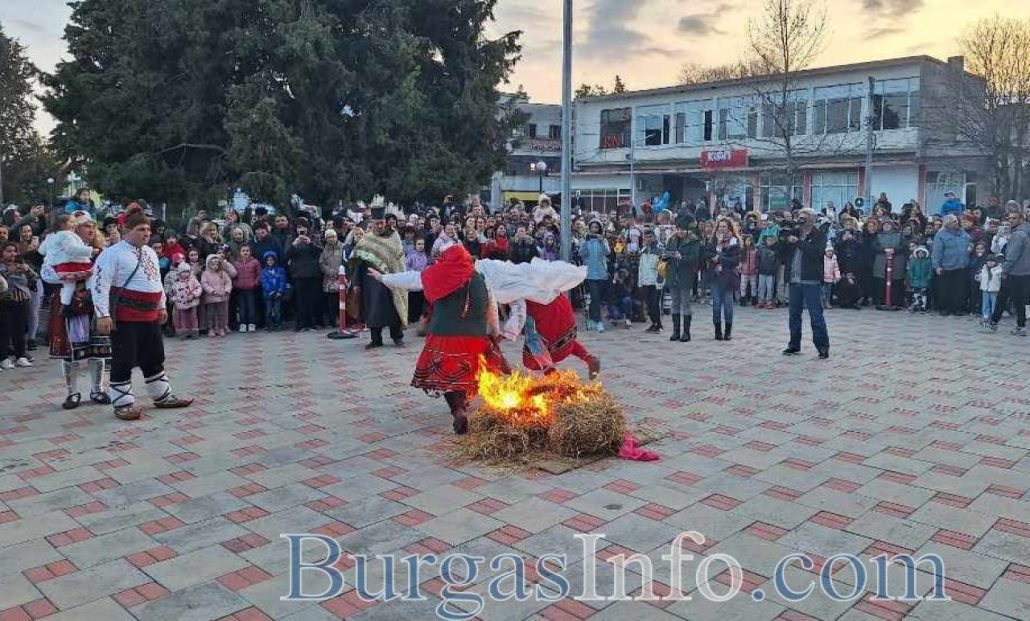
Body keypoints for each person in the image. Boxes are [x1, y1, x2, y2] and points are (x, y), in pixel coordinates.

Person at [371, 243, 506, 434]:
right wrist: (494, 331)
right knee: (467, 374)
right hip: (474, 337)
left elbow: (412, 279)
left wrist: (383, 277)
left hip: (444, 337)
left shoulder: (437, 273)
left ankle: (458, 410)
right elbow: (491, 307)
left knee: (448, 377)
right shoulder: (481, 278)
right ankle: (463, 401)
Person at [92, 206, 193, 420]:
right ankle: (122, 404)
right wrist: (103, 314)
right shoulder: (111, 254)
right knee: (124, 359)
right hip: (126, 316)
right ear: (126, 230)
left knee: (154, 355)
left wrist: (162, 306)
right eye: (140, 229)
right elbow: (100, 285)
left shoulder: (149, 252)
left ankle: (162, 396)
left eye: (148, 229)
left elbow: (155, 281)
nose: (146, 233)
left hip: (149, 315)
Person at [351, 206, 407, 348]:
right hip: (371, 282)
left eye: (382, 223)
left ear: (386, 222)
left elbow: (399, 260)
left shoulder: (395, 237)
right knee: (373, 310)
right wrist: (356, 283)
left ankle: (397, 337)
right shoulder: (366, 239)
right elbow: (358, 262)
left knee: (394, 308)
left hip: (391, 279)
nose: (380, 226)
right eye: (377, 223)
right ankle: (376, 340)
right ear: (372, 224)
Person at [783, 209, 830, 359]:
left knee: (816, 315)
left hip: (811, 281)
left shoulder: (819, 235)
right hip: (794, 280)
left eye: (805, 216)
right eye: (800, 216)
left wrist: (799, 242)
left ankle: (822, 347)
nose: (802, 218)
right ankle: (794, 344)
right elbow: (782, 249)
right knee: (794, 315)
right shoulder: (794, 232)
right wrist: (786, 238)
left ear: (812, 219)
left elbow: (815, 253)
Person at [39, 211, 96, 308]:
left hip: (54, 267)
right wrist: (90, 250)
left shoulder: (51, 236)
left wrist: (54, 252)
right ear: (62, 224)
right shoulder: (67, 235)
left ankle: (65, 304)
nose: (75, 224)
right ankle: (90, 294)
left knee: (69, 284)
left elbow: (41, 251)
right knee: (91, 274)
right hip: (68, 265)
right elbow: (72, 249)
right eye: (72, 222)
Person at [988, 205, 1030, 336]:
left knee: (1016, 300)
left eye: (1014, 218)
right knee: (1005, 297)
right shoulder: (1025, 232)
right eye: (1009, 218)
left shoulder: (1018, 235)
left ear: (1021, 219)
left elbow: (1012, 255)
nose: (1011, 220)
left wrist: (1004, 270)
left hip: (1015, 272)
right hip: (1023, 271)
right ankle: (994, 322)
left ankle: (1020, 326)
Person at [0, 242, 38, 370]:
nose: (12, 254)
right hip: (6, 302)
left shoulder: (21, 264)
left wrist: (27, 270)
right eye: (8, 251)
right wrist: (8, 272)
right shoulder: (1, 267)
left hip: (23, 301)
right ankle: (3, 358)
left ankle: (20, 356)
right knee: (4, 331)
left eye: (14, 251)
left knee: (20, 331)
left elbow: (35, 278)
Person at [664, 212, 701, 342]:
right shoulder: (672, 239)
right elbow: (666, 253)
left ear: (687, 230)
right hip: (673, 274)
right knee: (675, 303)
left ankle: (686, 332)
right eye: (678, 229)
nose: (680, 231)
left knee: (685, 304)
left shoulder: (694, 241)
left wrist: (682, 257)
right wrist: (666, 255)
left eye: (682, 229)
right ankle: (676, 332)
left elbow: (694, 258)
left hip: (685, 275)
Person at [703, 218, 741, 341]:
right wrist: (717, 246)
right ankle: (718, 331)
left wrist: (719, 258)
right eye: (720, 226)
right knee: (716, 305)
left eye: (724, 226)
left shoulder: (735, 242)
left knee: (728, 305)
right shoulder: (713, 240)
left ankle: (728, 331)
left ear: (729, 228)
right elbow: (706, 253)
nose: (721, 229)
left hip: (729, 277)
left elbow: (734, 260)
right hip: (715, 277)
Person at [931, 214, 971, 316]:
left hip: (961, 265)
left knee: (959, 290)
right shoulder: (940, 235)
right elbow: (936, 252)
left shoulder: (963, 233)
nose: (956, 223)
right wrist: (937, 266)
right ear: (947, 224)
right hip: (946, 266)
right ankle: (944, 308)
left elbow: (969, 241)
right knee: (946, 289)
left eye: (956, 221)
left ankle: (957, 308)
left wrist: (970, 246)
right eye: (953, 222)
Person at [286, 224, 322, 331]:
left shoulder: (314, 238)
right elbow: (286, 255)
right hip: (298, 273)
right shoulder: (291, 239)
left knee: (311, 300)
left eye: (304, 227)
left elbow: (319, 252)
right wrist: (294, 244)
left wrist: (310, 243)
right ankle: (301, 324)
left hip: (312, 273)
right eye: (299, 227)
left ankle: (311, 323)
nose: (301, 230)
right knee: (299, 300)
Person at [581, 220, 611, 332]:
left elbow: (607, 252)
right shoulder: (586, 240)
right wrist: (585, 242)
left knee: (596, 299)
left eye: (596, 227)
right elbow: (582, 253)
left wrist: (602, 241)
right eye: (592, 227)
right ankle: (598, 322)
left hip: (601, 273)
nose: (594, 229)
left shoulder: (603, 240)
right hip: (590, 274)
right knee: (595, 297)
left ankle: (593, 319)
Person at [200, 253, 232, 337]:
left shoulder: (223, 273)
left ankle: (221, 328)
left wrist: (226, 290)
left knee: (221, 313)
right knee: (210, 314)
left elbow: (228, 282)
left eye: (217, 264)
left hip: (222, 297)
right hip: (211, 298)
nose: (215, 266)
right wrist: (211, 291)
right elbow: (204, 284)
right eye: (213, 264)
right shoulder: (205, 274)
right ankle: (211, 328)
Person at [318, 229, 345, 328]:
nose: (331, 239)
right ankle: (332, 319)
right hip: (329, 279)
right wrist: (330, 272)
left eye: (333, 236)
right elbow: (321, 263)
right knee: (331, 301)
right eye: (329, 237)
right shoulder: (323, 250)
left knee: (342, 299)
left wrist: (340, 272)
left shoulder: (343, 247)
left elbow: (346, 261)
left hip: (342, 277)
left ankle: (343, 319)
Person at [232, 245, 261, 332]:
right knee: (242, 307)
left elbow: (259, 273)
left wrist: (256, 282)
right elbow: (234, 275)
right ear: (240, 252)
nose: (245, 252)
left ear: (250, 252)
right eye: (243, 251)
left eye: (247, 250)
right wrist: (235, 284)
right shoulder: (236, 263)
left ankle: (252, 323)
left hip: (251, 288)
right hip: (240, 289)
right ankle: (243, 324)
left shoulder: (255, 262)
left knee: (251, 306)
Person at [170, 262, 202, 339]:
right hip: (181, 304)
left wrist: (194, 294)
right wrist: (173, 299)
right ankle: (184, 332)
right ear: (179, 273)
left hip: (192, 302)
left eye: (187, 272)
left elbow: (199, 288)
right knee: (183, 318)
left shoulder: (193, 280)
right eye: (183, 272)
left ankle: (194, 332)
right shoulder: (176, 283)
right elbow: (174, 293)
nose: (186, 274)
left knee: (193, 317)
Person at [260, 251, 287, 331]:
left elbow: (282, 281)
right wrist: (270, 291)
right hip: (268, 294)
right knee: (268, 311)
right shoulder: (263, 271)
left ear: (275, 260)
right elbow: (264, 282)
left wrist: (280, 291)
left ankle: (278, 324)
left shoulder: (280, 270)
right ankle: (269, 325)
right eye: (268, 260)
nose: (270, 262)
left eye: (272, 260)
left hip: (278, 294)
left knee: (277, 310)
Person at [979, 255, 1002, 327]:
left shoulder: (999, 270)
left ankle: (993, 316)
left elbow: (1000, 279)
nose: (990, 263)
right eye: (989, 261)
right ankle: (985, 315)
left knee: (994, 304)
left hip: (994, 289)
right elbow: (981, 278)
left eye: (992, 261)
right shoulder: (983, 269)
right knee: (985, 303)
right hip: (985, 289)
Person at [756, 234, 779, 309]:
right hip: (762, 270)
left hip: (771, 272)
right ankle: (761, 301)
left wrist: (774, 269)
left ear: (774, 241)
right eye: (768, 240)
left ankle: (769, 301)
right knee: (761, 287)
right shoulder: (762, 248)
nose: (770, 241)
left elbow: (777, 261)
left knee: (770, 287)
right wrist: (758, 267)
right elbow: (758, 258)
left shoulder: (776, 249)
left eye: (772, 240)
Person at [907, 246, 932, 313]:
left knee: (923, 294)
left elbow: (930, 270)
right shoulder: (914, 261)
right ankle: (915, 305)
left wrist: (929, 277)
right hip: (916, 280)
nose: (920, 254)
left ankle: (923, 306)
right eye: (919, 253)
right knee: (916, 294)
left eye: (922, 253)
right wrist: (912, 277)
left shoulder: (927, 261)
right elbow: (911, 270)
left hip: (924, 280)